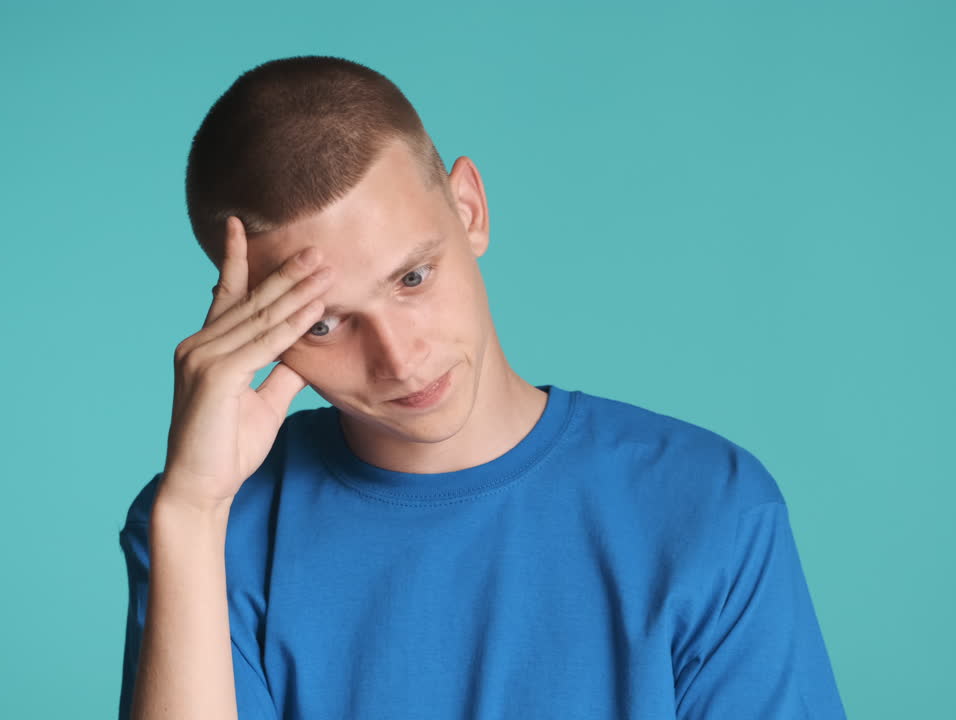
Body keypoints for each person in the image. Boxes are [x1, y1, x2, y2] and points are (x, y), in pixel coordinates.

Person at [117, 55, 847, 720]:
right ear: (250, 325)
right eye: (323, 326)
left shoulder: (710, 508)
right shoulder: (214, 529)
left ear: (469, 208)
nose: (400, 359)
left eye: (412, 277)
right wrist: (191, 513)